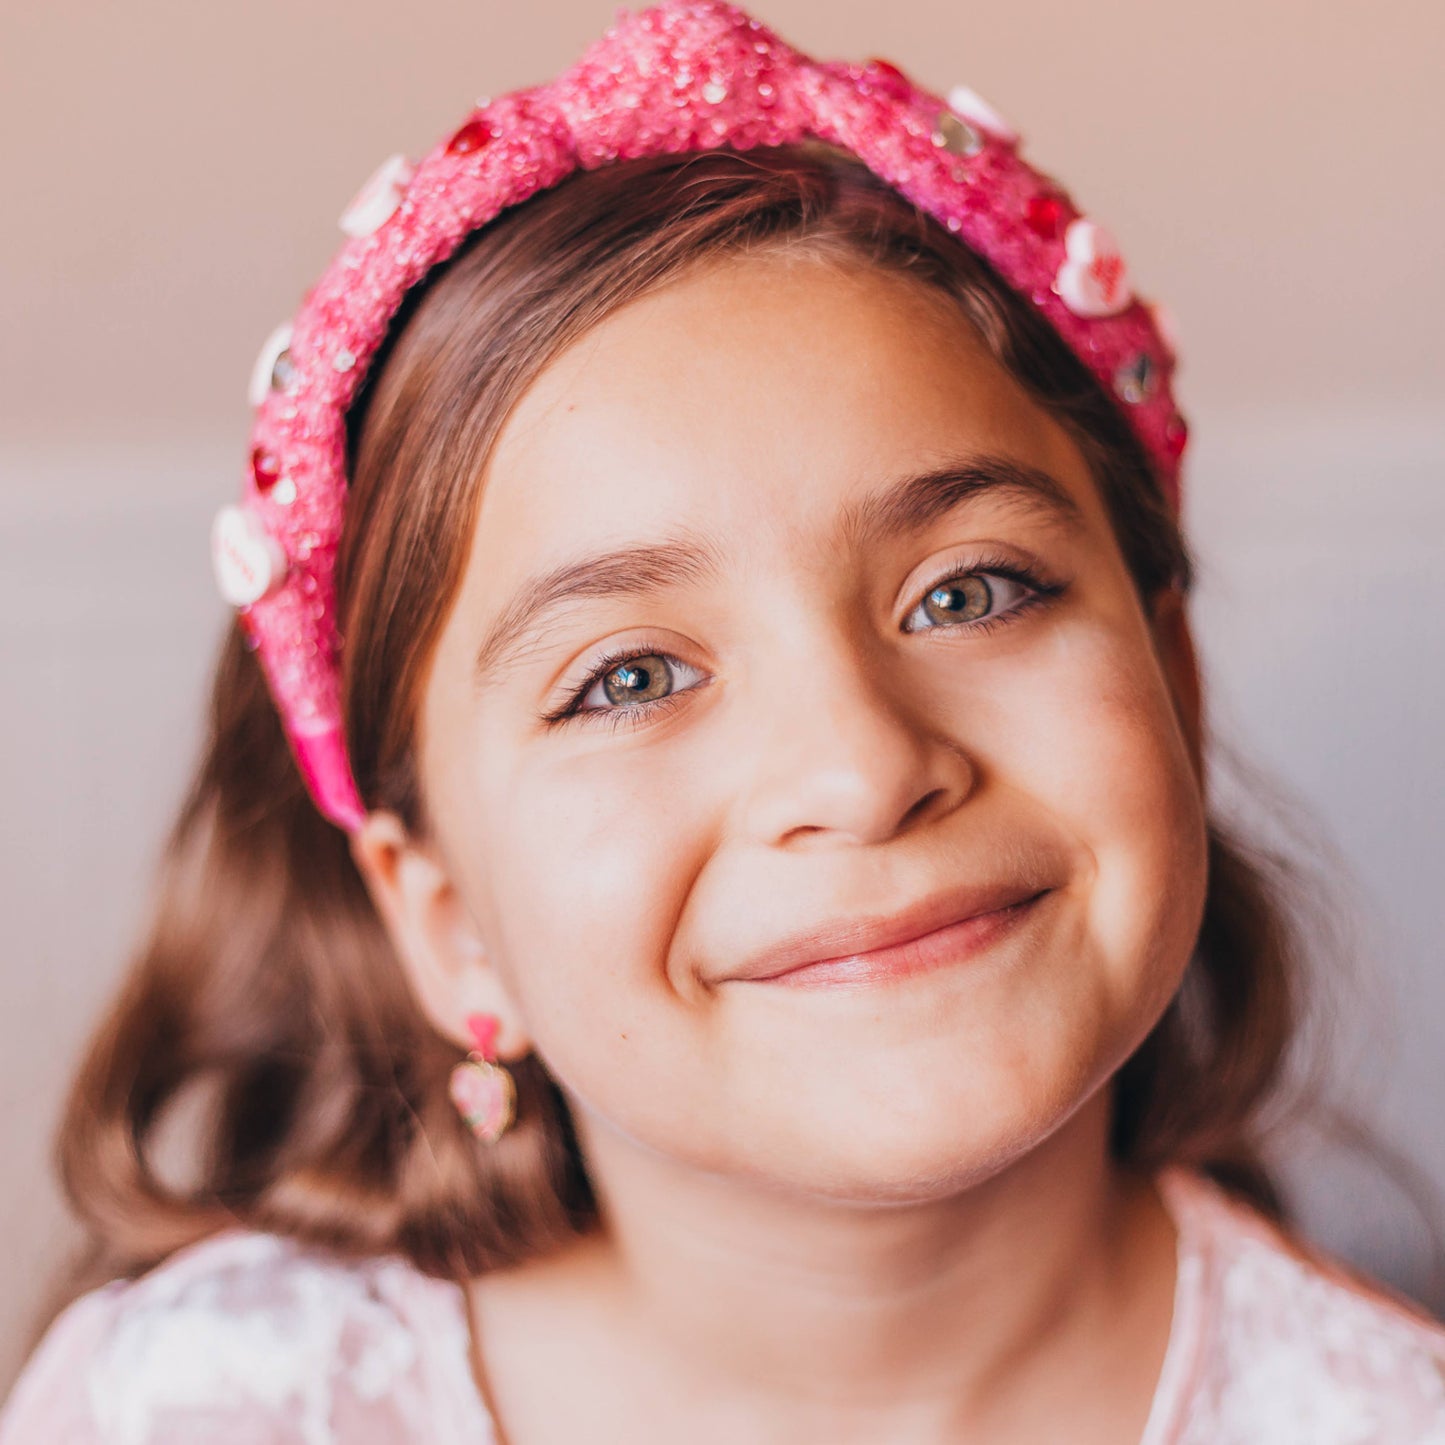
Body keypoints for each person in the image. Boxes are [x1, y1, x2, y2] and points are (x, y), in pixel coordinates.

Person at [3, 2, 1443, 1441]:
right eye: (628, 676)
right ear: (443, 919)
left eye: (968, 592)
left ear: (1173, 683)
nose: (861, 767)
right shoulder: (193, 1409)